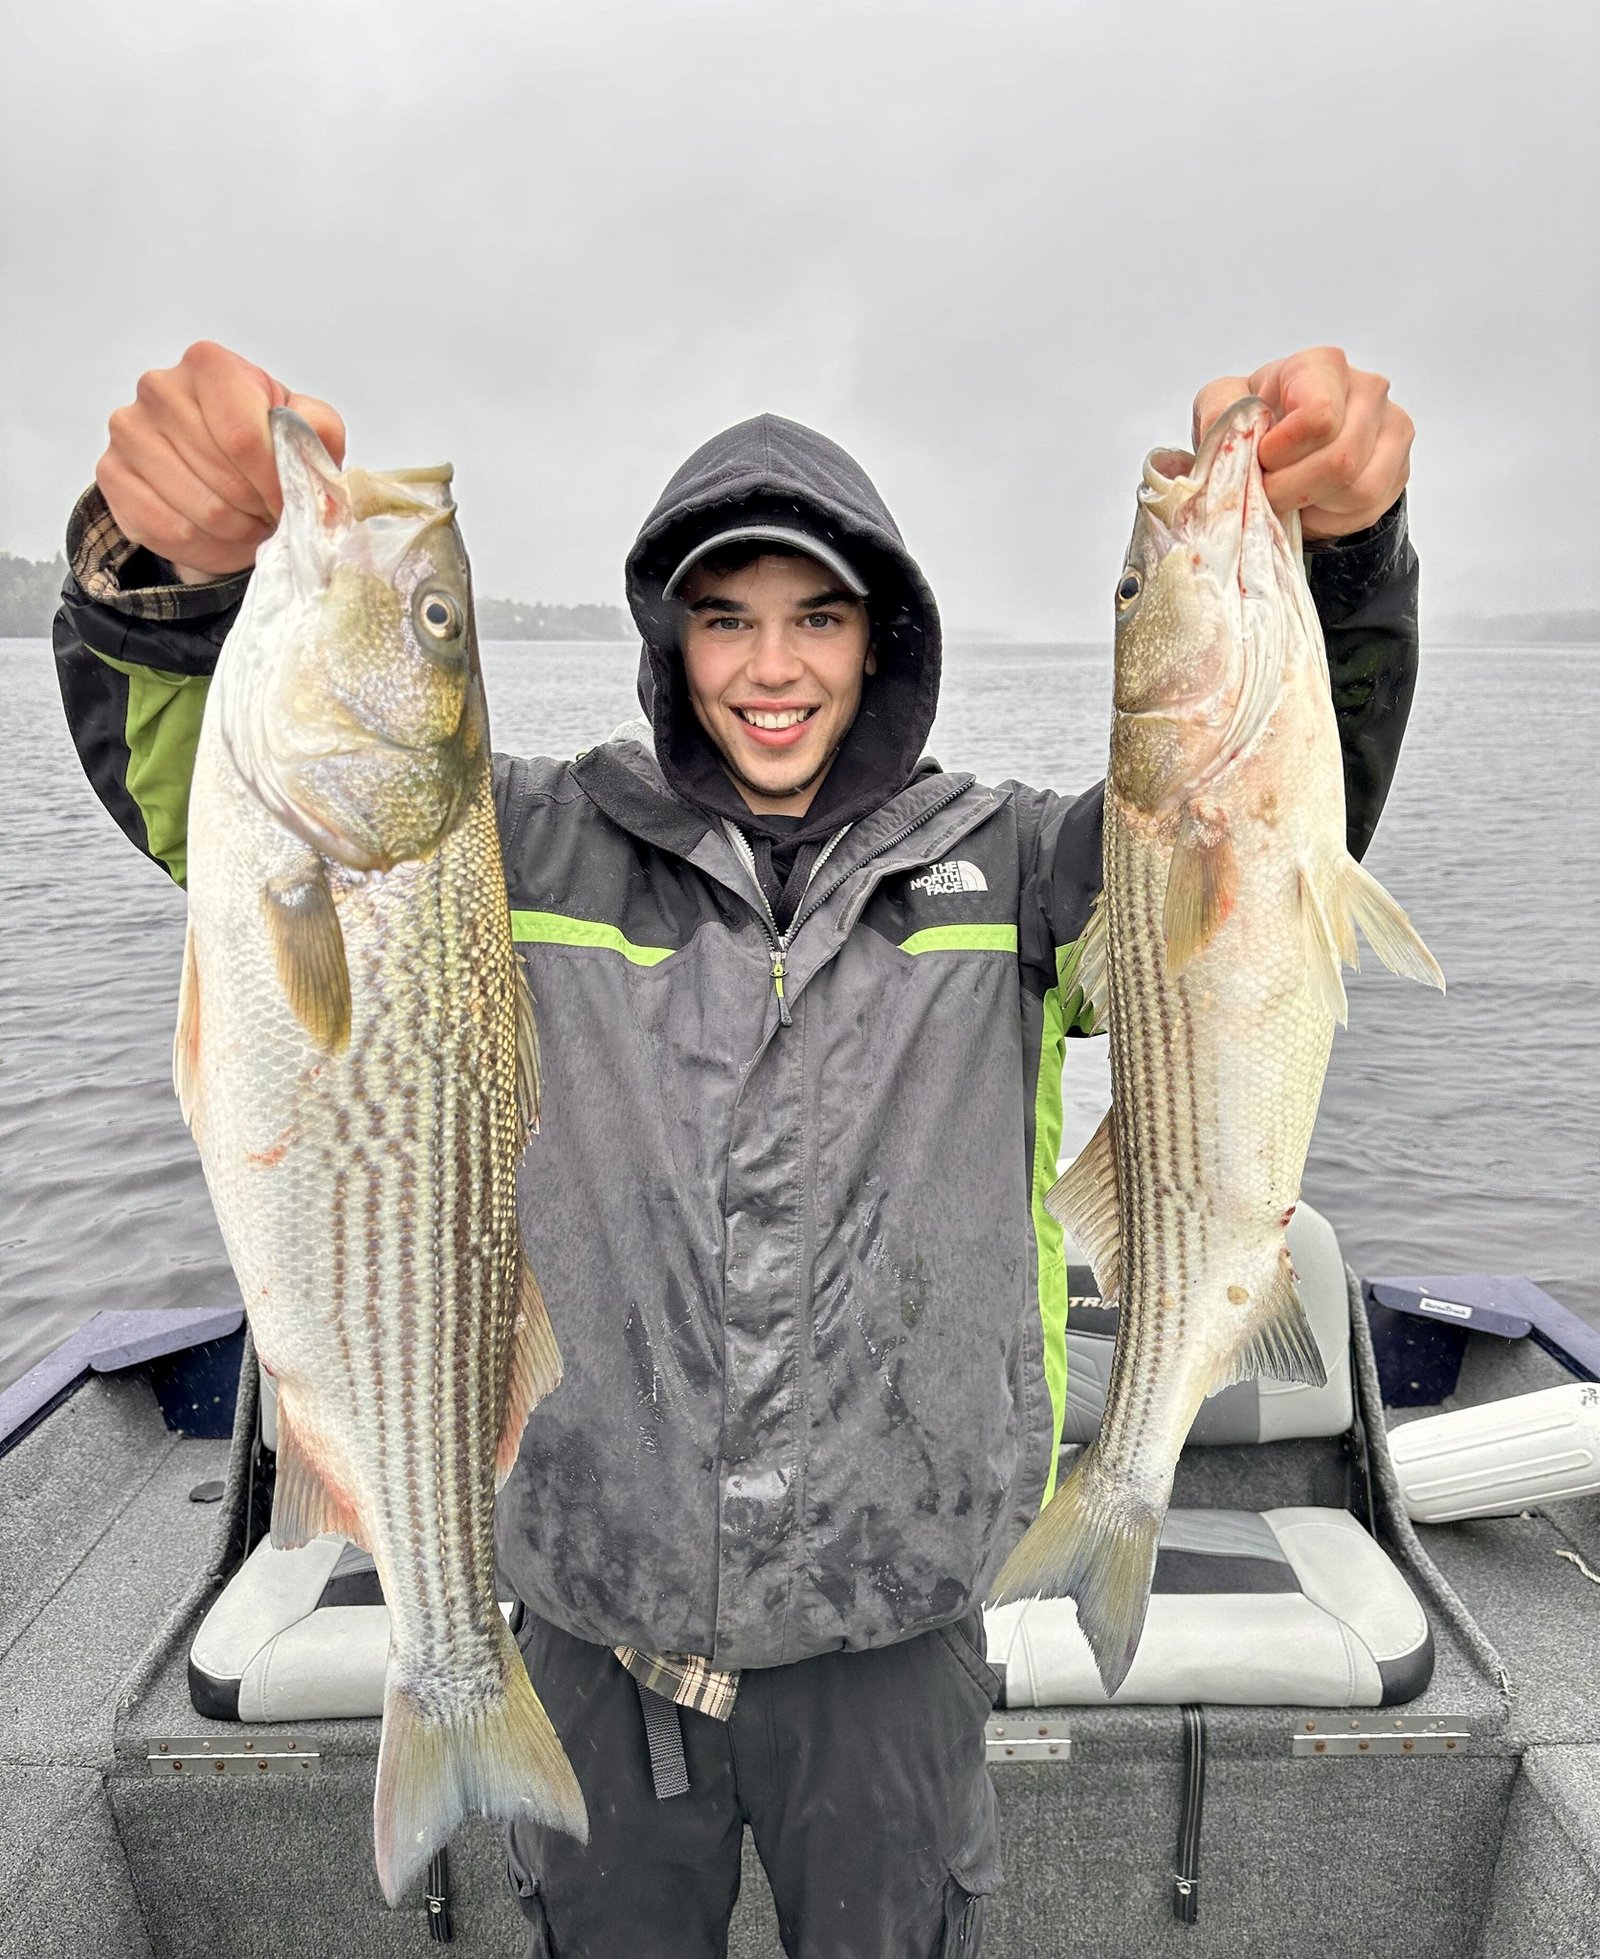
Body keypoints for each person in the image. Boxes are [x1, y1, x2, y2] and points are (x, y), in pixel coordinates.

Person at [56, 341, 1419, 1959]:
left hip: (896, 1637)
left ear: (884, 636)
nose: (772, 668)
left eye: (819, 616)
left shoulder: (1016, 867)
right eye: (726, 617)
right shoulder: (521, 844)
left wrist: (1338, 568)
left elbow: (1254, 864)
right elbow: (227, 819)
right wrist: (161, 583)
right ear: (669, 639)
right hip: (591, 1630)